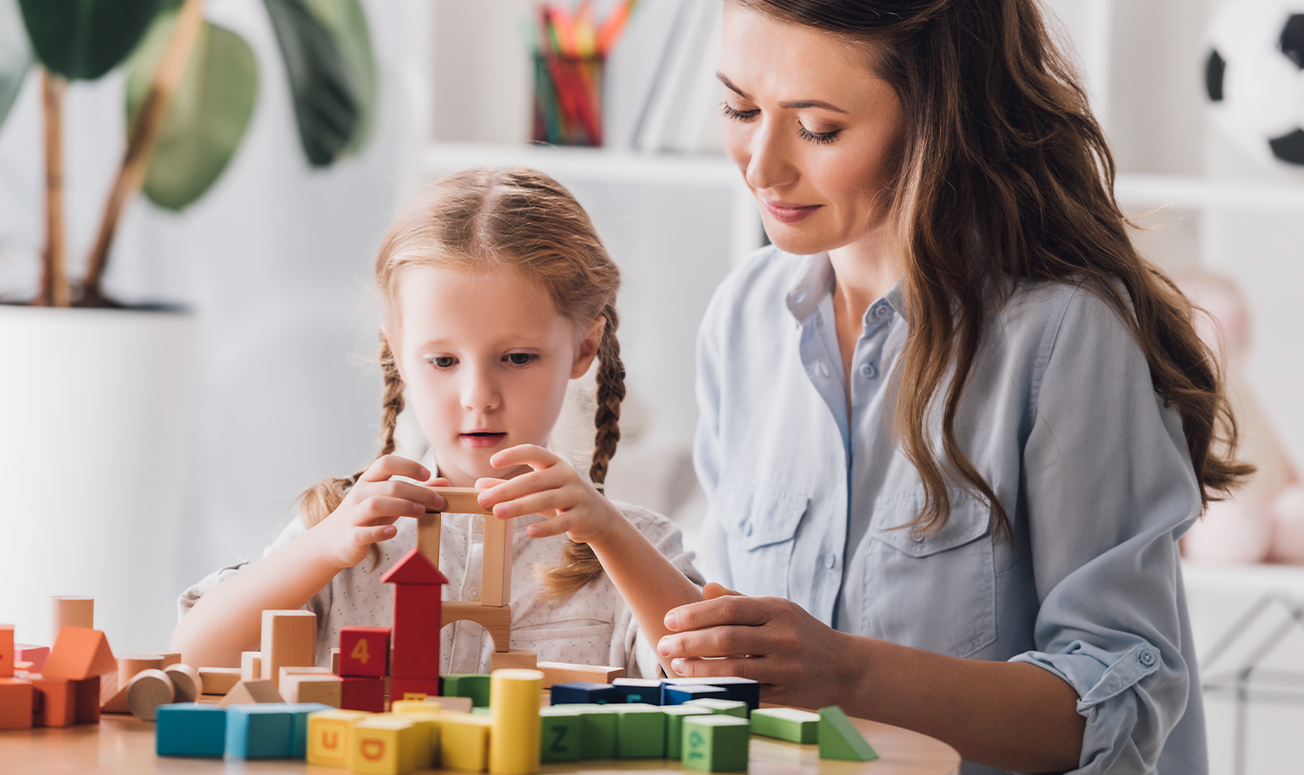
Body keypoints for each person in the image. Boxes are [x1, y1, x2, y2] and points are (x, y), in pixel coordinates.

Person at [521, 1, 1252, 773]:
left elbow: (1122, 710)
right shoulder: (743, 317)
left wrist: (848, 673)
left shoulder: (1065, 334)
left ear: (939, 118)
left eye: (818, 128)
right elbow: (732, 650)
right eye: (739, 108)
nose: (760, 166)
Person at [169, 167, 702, 678]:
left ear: (584, 347)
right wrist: (326, 547)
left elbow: (710, 674)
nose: (478, 397)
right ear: (397, 353)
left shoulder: (634, 546)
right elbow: (193, 657)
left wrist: (608, 533)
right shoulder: (342, 530)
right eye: (443, 361)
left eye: (517, 358)